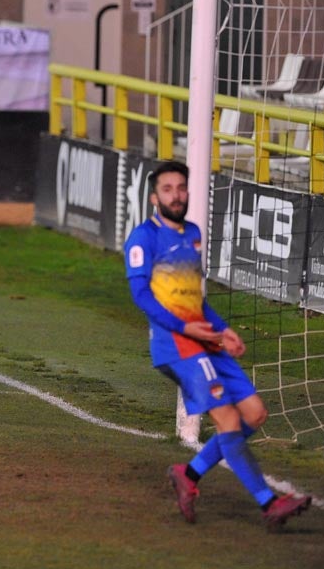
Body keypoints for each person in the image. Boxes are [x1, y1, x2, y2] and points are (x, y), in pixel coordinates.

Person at [124, 160, 311, 529]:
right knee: (227, 419)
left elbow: (197, 298)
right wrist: (188, 330)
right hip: (177, 347)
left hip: (206, 340)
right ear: (153, 197)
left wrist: (223, 329)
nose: (176, 195)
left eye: (181, 188)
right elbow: (141, 296)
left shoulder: (192, 233)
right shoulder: (143, 238)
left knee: (254, 414)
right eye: (167, 189)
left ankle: (188, 475)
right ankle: (268, 503)